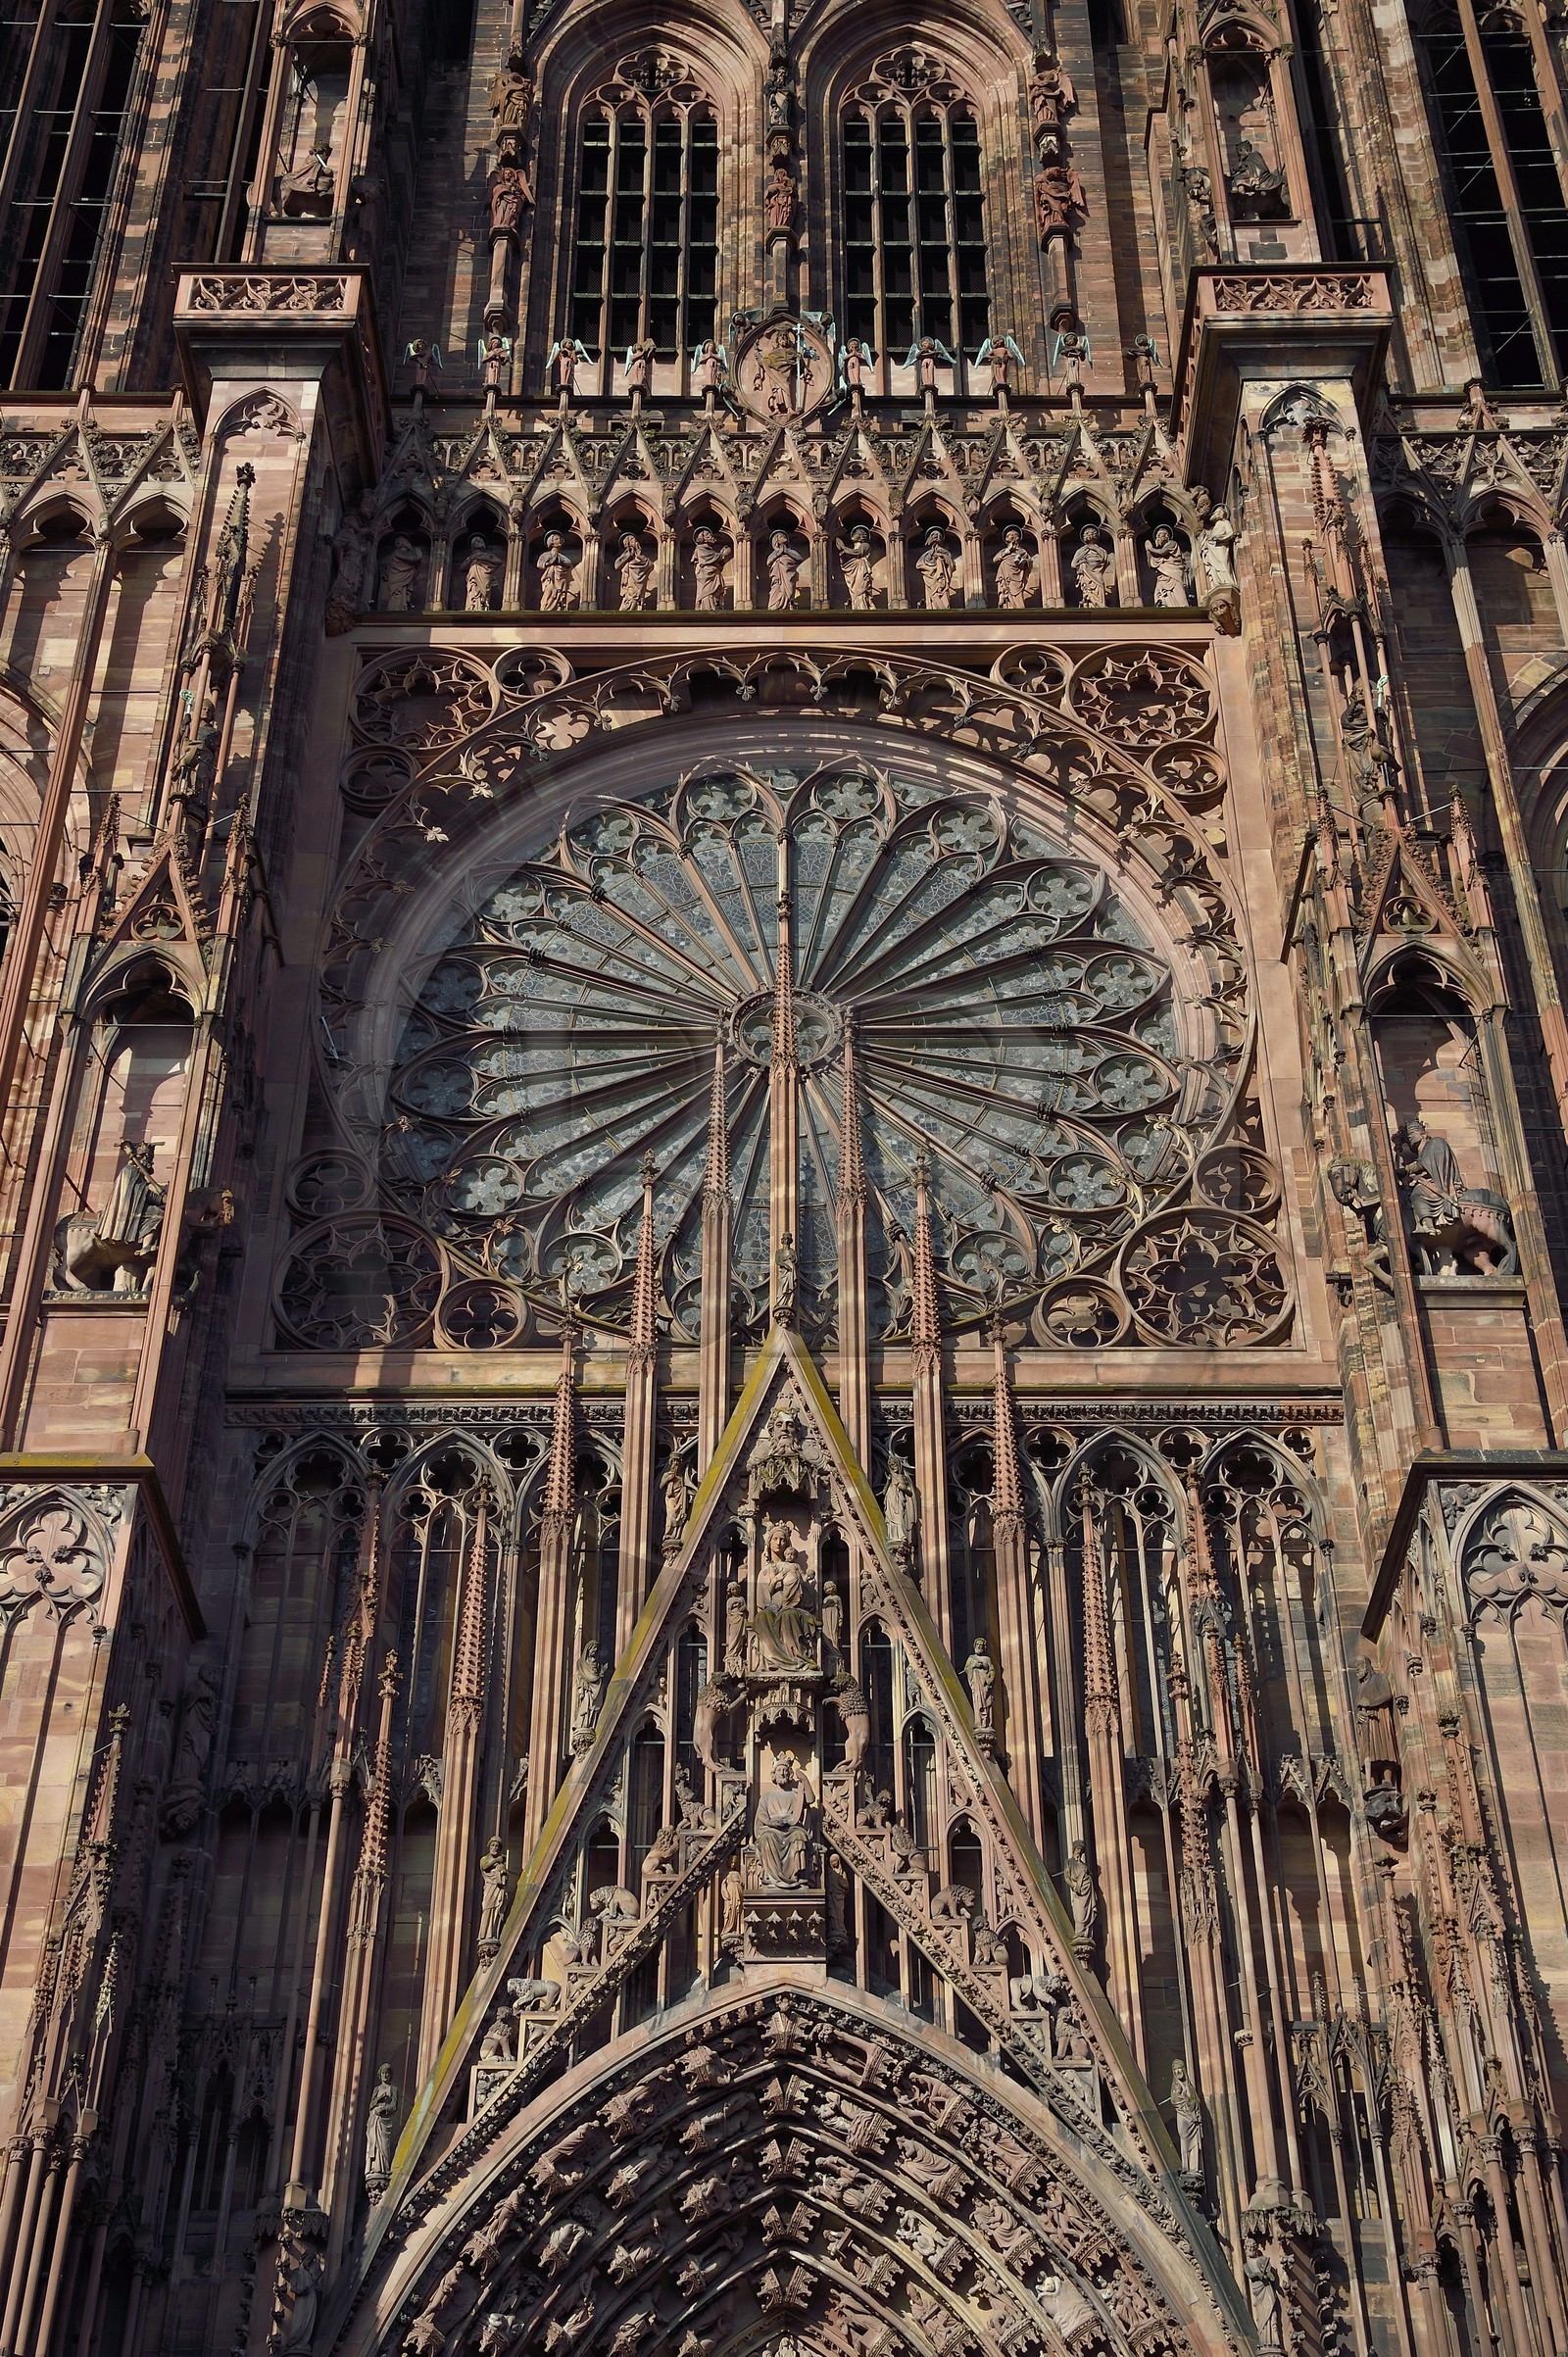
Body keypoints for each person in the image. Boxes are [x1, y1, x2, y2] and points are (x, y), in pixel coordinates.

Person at [837, 523, 877, 611]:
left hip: (861, 567)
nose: (853, 535)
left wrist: (844, 548)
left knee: (861, 589)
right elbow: (845, 561)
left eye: (855, 533)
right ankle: (855, 606)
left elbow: (858, 552)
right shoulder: (851, 549)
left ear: (860, 536)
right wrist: (841, 554)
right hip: (853, 569)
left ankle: (862, 607)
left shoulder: (865, 545)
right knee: (854, 591)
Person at [1070, 525, 1112, 608]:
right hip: (1086, 572)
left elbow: (1106, 559)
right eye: (1086, 533)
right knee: (1087, 590)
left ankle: (1100, 604)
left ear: (1095, 535)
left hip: (1097, 572)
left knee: (1100, 584)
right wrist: (1082, 563)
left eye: (1091, 533)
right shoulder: (1081, 550)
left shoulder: (1100, 549)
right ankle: (1091, 605)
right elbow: (1073, 564)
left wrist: (1095, 549)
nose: (1088, 535)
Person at [915, 526, 956, 611]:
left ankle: (943, 606)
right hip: (930, 579)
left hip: (942, 578)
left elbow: (952, 565)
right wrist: (931, 560)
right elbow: (919, 565)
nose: (936, 536)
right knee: (933, 594)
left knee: (943, 590)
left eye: (938, 535)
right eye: (933, 534)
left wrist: (942, 558)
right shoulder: (926, 554)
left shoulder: (945, 553)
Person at [994, 526, 1036, 610]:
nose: (1009, 537)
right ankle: (1007, 607)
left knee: (1016, 591)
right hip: (1004, 574)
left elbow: (1029, 562)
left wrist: (1022, 562)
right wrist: (1007, 551)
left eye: (1010, 535)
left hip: (1016, 576)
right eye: (1008, 535)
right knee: (1006, 592)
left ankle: (1018, 608)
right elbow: (995, 559)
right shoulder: (1004, 551)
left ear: (1016, 537)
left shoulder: (1022, 551)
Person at [537, 530, 575, 612]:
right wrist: (550, 563)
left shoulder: (561, 556)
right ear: (552, 542)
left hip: (560, 580)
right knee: (549, 591)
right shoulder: (546, 555)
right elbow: (540, 564)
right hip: (550, 578)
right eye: (557, 539)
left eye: (560, 539)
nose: (559, 540)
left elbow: (568, 563)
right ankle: (545, 608)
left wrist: (558, 560)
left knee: (559, 593)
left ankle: (558, 607)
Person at [691, 526, 727, 612]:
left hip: (713, 574)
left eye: (710, 534)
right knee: (706, 593)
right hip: (705, 574)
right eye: (707, 534)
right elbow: (706, 558)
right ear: (703, 538)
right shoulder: (700, 549)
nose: (710, 536)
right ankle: (706, 607)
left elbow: (714, 559)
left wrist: (721, 554)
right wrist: (722, 554)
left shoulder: (709, 550)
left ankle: (714, 605)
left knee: (714, 592)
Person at [766, 528, 802, 612]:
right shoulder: (774, 553)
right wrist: (778, 553)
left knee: (789, 589)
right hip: (777, 578)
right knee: (777, 589)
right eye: (781, 536)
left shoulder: (790, 551)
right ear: (776, 540)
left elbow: (799, 558)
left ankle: (789, 603)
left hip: (788, 575)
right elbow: (768, 562)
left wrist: (786, 551)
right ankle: (776, 605)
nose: (784, 537)